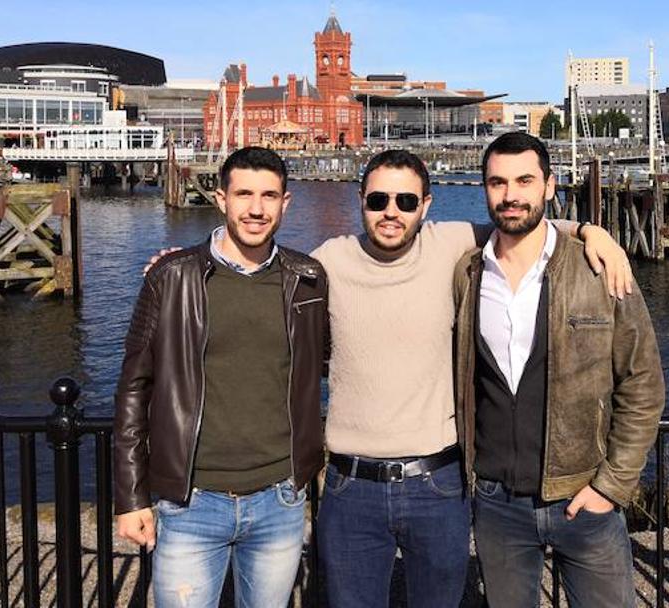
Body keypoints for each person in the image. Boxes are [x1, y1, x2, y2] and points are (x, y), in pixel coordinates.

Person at [142, 147, 633, 608]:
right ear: (362, 202)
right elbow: (257, 273)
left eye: (405, 200)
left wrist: (591, 230)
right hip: (349, 486)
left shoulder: (452, 245)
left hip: (437, 484)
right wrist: (181, 266)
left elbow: (521, 223)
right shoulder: (326, 263)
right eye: (378, 200)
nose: (391, 211)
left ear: (426, 205)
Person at [452, 132, 665, 607]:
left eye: (525, 180)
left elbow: (643, 384)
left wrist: (611, 487)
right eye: (497, 182)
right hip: (496, 503)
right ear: (484, 189)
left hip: (583, 500)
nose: (511, 195)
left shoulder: (600, 270)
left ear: (550, 186)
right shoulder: (466, 274)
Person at [114, 146, 329, 607]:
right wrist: (131, 498)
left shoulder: (308, 278)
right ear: (220, 198)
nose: (256, 209)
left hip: (280, 497)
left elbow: (323, 363)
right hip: (191, 498)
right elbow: (134, 388)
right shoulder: (172, 277)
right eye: (244, 194)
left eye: (270, 196)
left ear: (285, 203)